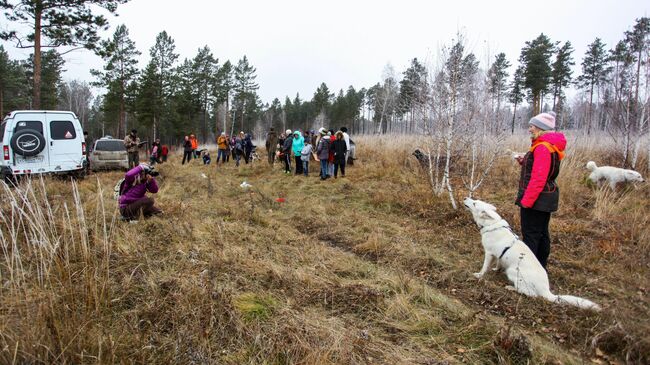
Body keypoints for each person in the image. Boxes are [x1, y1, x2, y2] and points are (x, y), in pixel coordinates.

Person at [515, 111, 566, 271]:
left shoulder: (543, 148)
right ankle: (540, 268)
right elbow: (542, 169)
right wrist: (525, 161)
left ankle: (529, 270)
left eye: (531, 126)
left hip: (538, 199)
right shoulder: (547, 146)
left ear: (539, 128)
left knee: (532, 235)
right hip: (545, 197)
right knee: (541, 233)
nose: (529, 129)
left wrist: (527, 202)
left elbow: (538, 178)